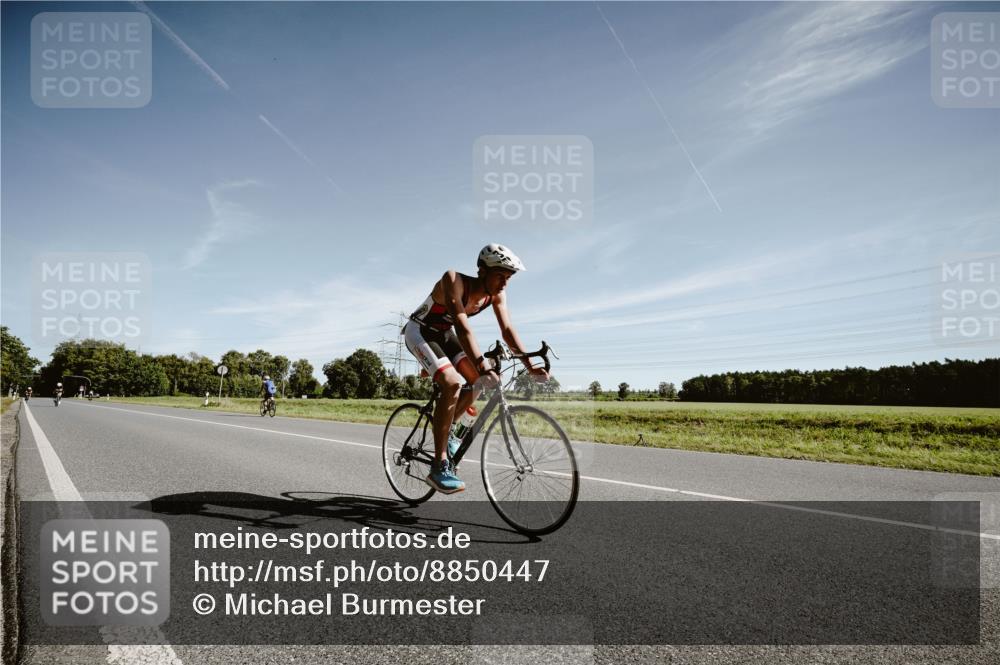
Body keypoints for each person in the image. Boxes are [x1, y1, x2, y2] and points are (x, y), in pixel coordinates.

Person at [402, 243, 548, 494]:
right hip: (421, 331)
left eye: (509, 278)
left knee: (481, 382)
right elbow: (462, 326)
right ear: (482, 271)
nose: (504, 283)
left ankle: (449, 433)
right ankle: (439, 466)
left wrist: (531, 365)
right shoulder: (454, 280)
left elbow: (507, 331)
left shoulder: (497, 295)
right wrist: (482, 363)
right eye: (500, 276)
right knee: (453, 383)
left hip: (444, 335)